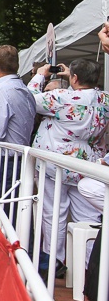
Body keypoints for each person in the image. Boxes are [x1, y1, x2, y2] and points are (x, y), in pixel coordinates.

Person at [28, 59, 109, 277]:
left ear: (74, 78)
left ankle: (55, 261)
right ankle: (90, 272)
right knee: (88, 220)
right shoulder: (105, 99)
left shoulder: (61, 98)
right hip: (89, 165)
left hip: (57, 164)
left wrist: (41, 75)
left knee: (54, 214)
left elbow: (27, 99)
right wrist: (71, 77)